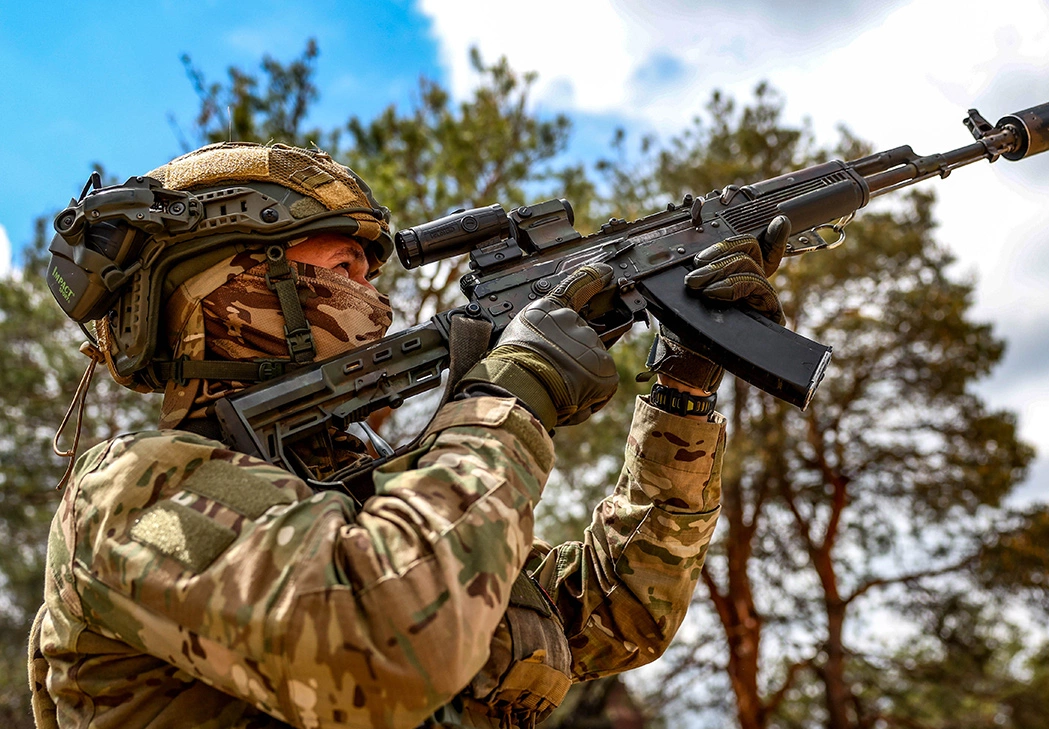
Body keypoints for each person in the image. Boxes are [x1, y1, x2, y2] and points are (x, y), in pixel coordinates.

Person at [30, 141, 787, 728]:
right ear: (231, 287)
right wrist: (509, 396)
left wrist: (682, 392)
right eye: (340, 269)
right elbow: (386, 639)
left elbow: (617, 614)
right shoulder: (130, 498)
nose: (373, 301)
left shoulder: (361, 494)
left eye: (369, 273)